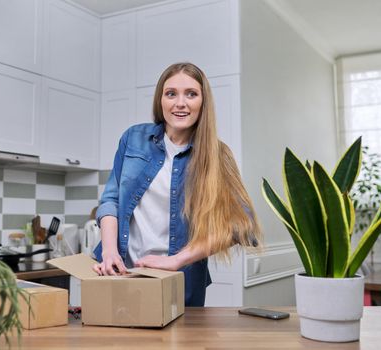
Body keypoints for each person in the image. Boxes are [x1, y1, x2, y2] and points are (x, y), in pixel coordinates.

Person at [93, 62, 262, 306]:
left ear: (203, 102)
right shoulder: (133, 139)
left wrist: (177, 260)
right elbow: (110, 200)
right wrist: (109, 251)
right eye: (171, 93)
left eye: (191, 94)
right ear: (160, 100)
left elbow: (243, 226)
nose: (180, 103)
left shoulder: (218, 154)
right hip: (120, 275)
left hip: (179, 284)